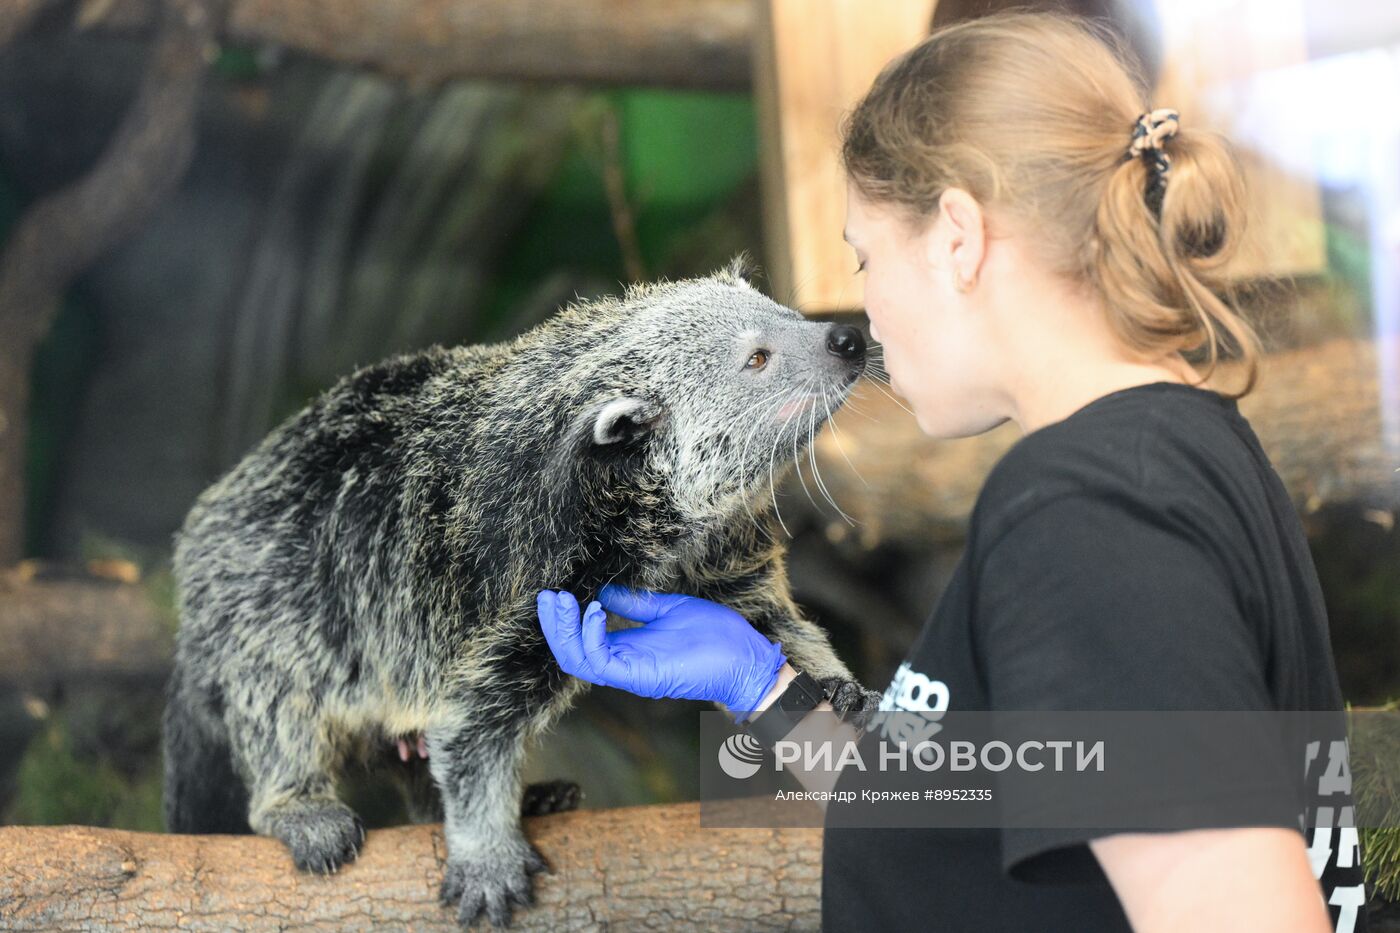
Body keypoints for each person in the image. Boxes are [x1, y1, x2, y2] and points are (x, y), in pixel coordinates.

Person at [536, 11, 1367, 932]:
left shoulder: (1088, 511)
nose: (866, 309)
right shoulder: (1171, 455)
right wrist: (762, 687)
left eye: (865, 254)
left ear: (958, 237)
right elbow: (981, 801)